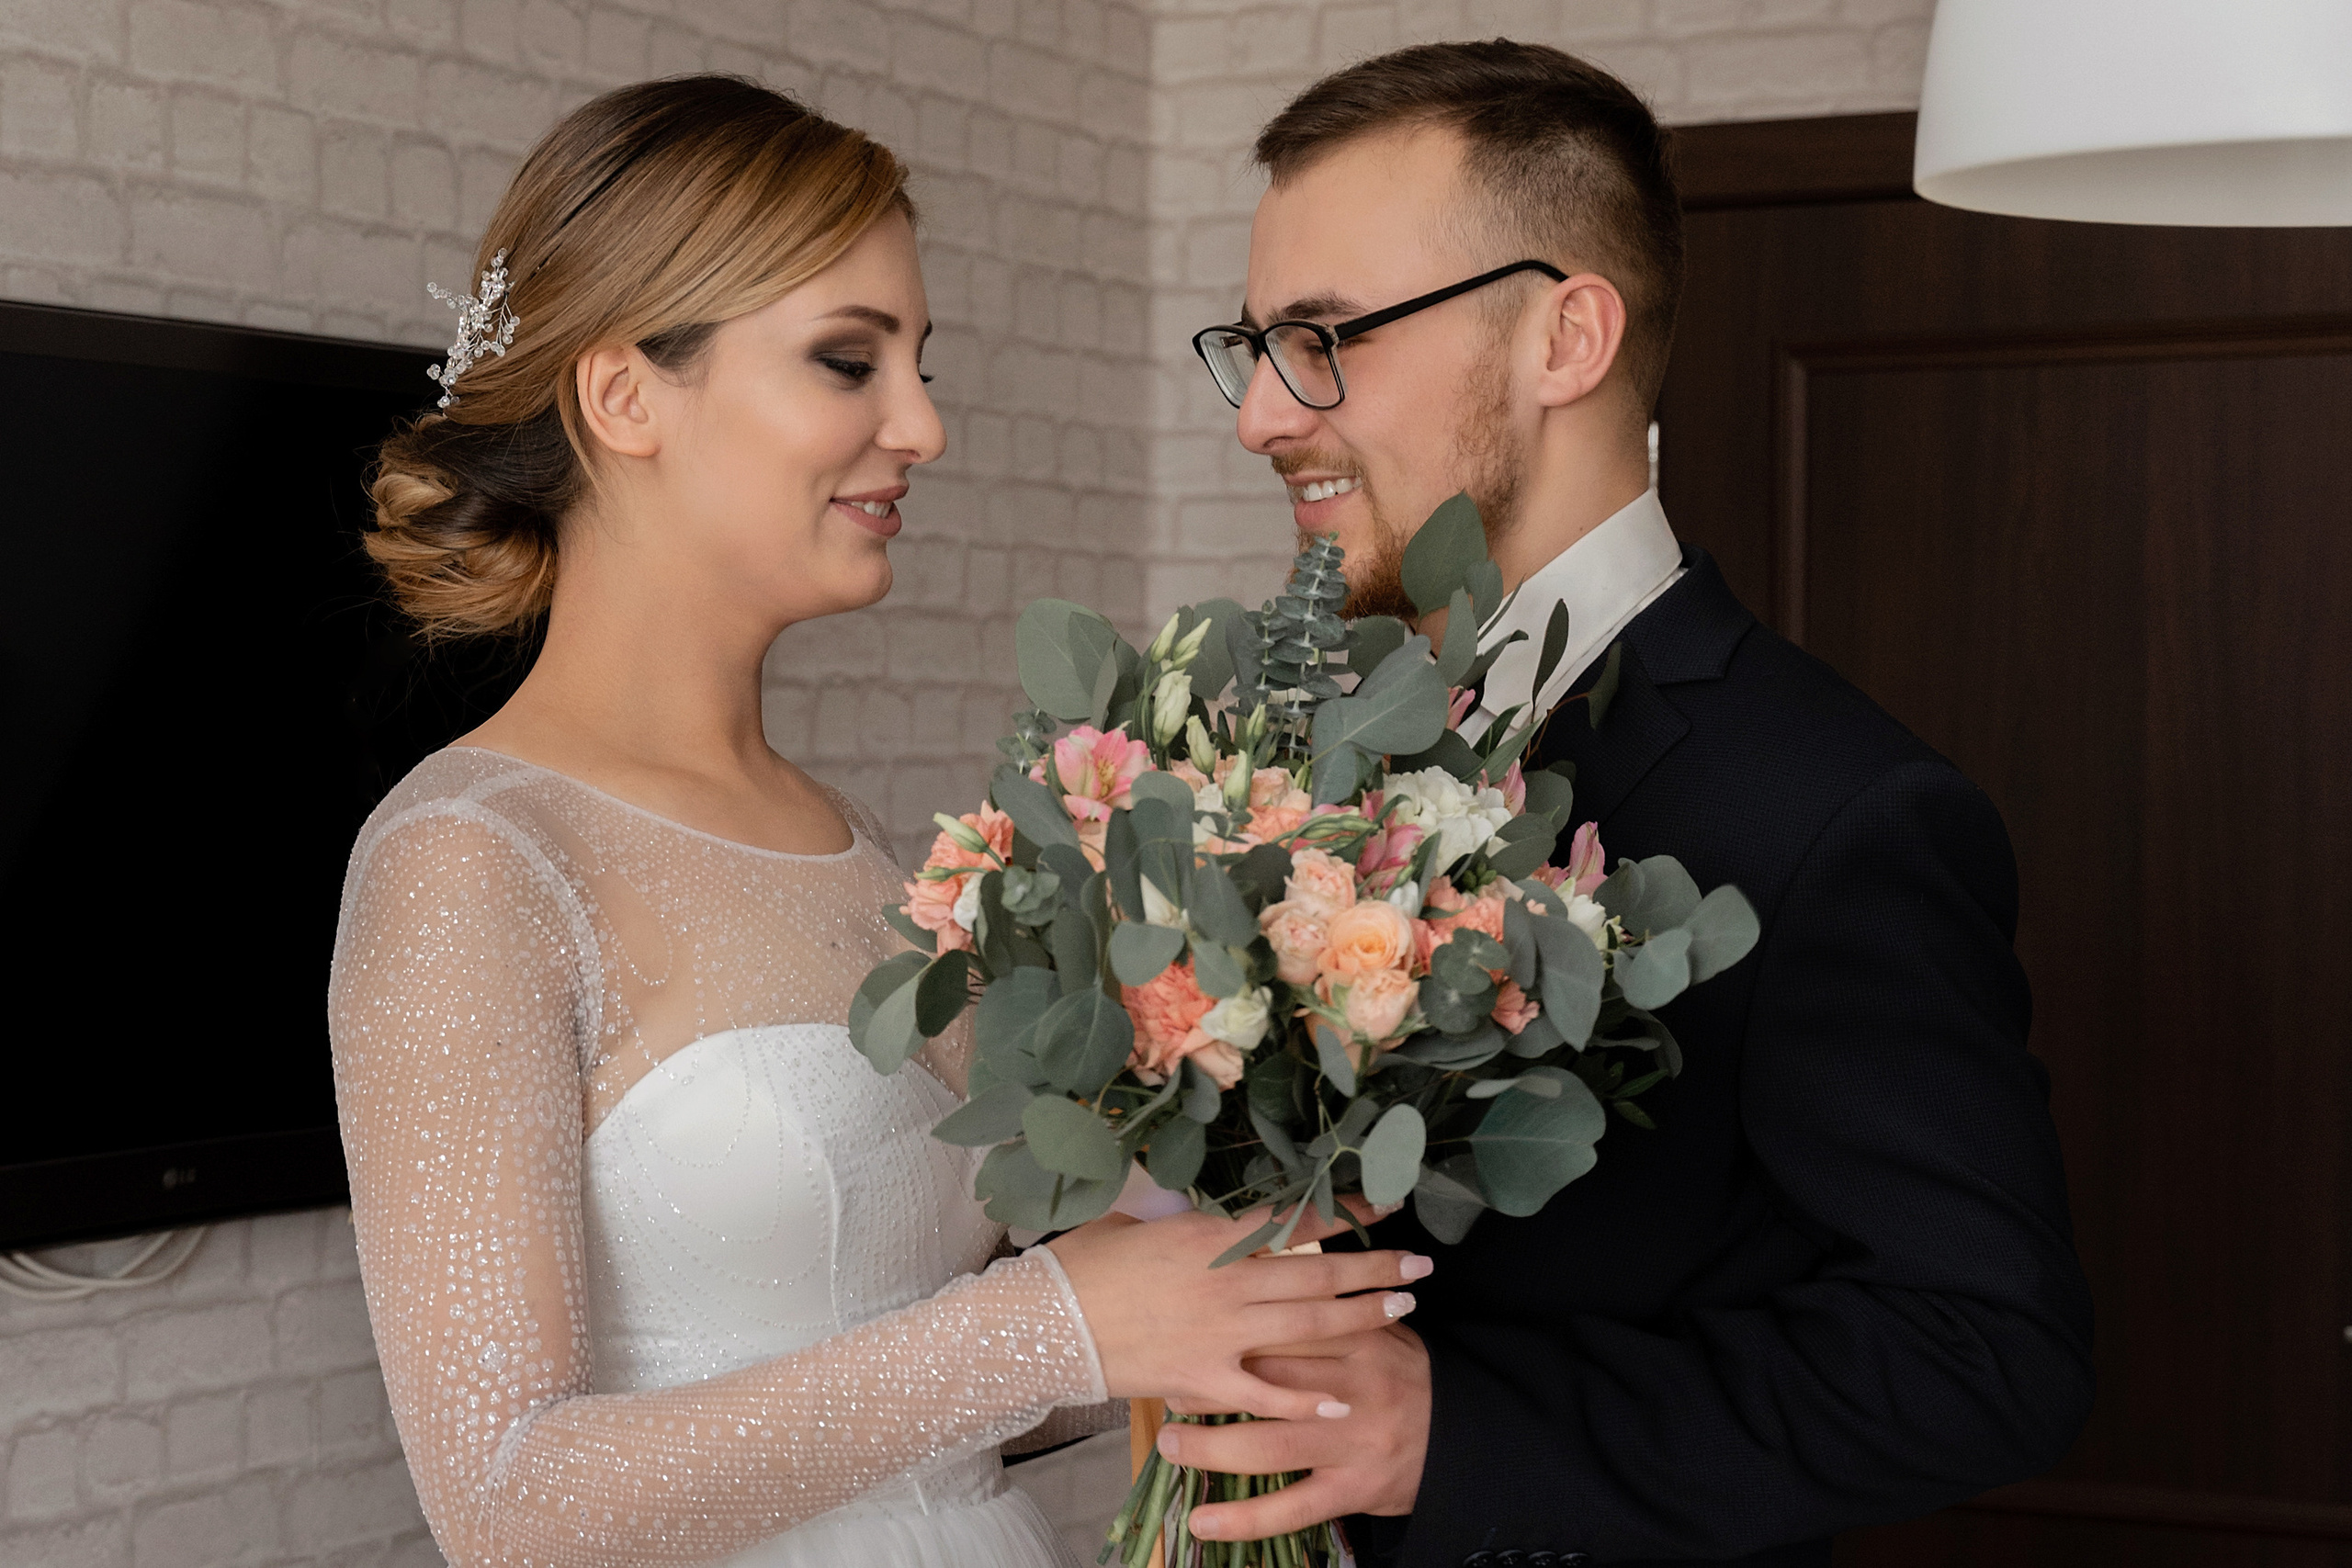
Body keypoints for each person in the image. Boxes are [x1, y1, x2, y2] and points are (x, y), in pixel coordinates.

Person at [329, 74, 1428, 1568]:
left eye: (918, 362)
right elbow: (506, 1502)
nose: (922, 423)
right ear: (623, 393)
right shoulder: (472, 861)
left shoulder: (858, 845)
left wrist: (1181, 1272)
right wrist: (1052, 1323)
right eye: (849, 360)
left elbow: (916, 1376)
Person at [1154, 40, 2096, 1568]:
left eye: (1323, 337)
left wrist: (1457, 1432)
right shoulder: (1310, 747)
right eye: (1252, 345)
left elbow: (1989, 1351)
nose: (1261, 415)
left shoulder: (1839, 809)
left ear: (1567, 336)